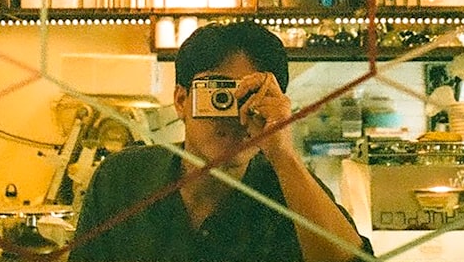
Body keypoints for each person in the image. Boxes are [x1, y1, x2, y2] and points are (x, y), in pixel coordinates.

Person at [69, 22, 371, 262]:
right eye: (218, 95)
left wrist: (283, 153)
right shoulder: (122, 180)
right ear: (181, 100)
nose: (232, 116)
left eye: (248, 98)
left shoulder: (294, 193)